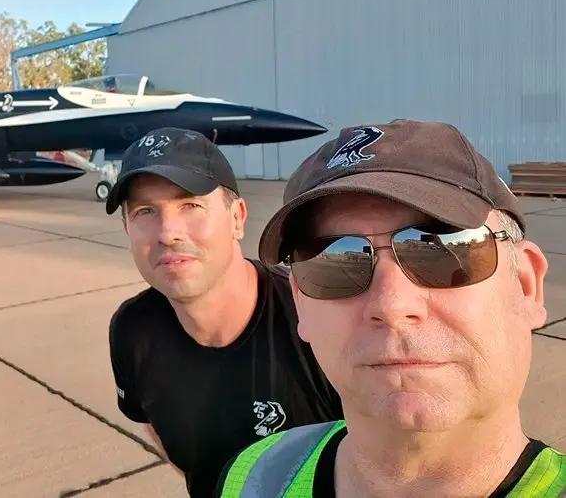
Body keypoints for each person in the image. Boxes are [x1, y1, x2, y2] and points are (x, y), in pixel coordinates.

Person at [216, 119, 565, 497]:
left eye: (439, 249)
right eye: (334, 262)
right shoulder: (255, 475)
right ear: (300, 302)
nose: (392, 304)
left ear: (527, 286)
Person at [104, 127, 344, 497]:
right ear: (126, 228)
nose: (168, 232)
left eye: (191, 205)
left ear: (237, 218)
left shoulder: (316, 321)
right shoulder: (132, 331)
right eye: (145, 212)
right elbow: (167, 439)